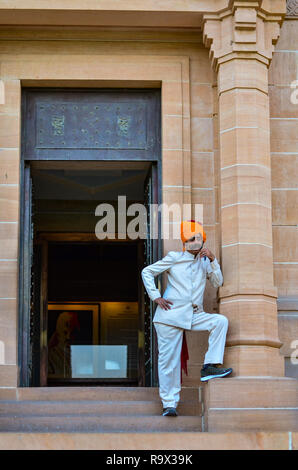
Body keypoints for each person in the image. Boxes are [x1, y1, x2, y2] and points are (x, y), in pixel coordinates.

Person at [141, 220, 233, 417]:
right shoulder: (174, 257)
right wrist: (155, 296)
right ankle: (169, 404)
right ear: (185, 241)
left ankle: (209, 366)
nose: (195, 242)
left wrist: (214, 260)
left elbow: (218, 282)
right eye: (191, 239)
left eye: (198, 239)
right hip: (169, 317)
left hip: (194, 315)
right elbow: (147, 271)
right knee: (169, 362)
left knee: (220, 321)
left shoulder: (205, 262)